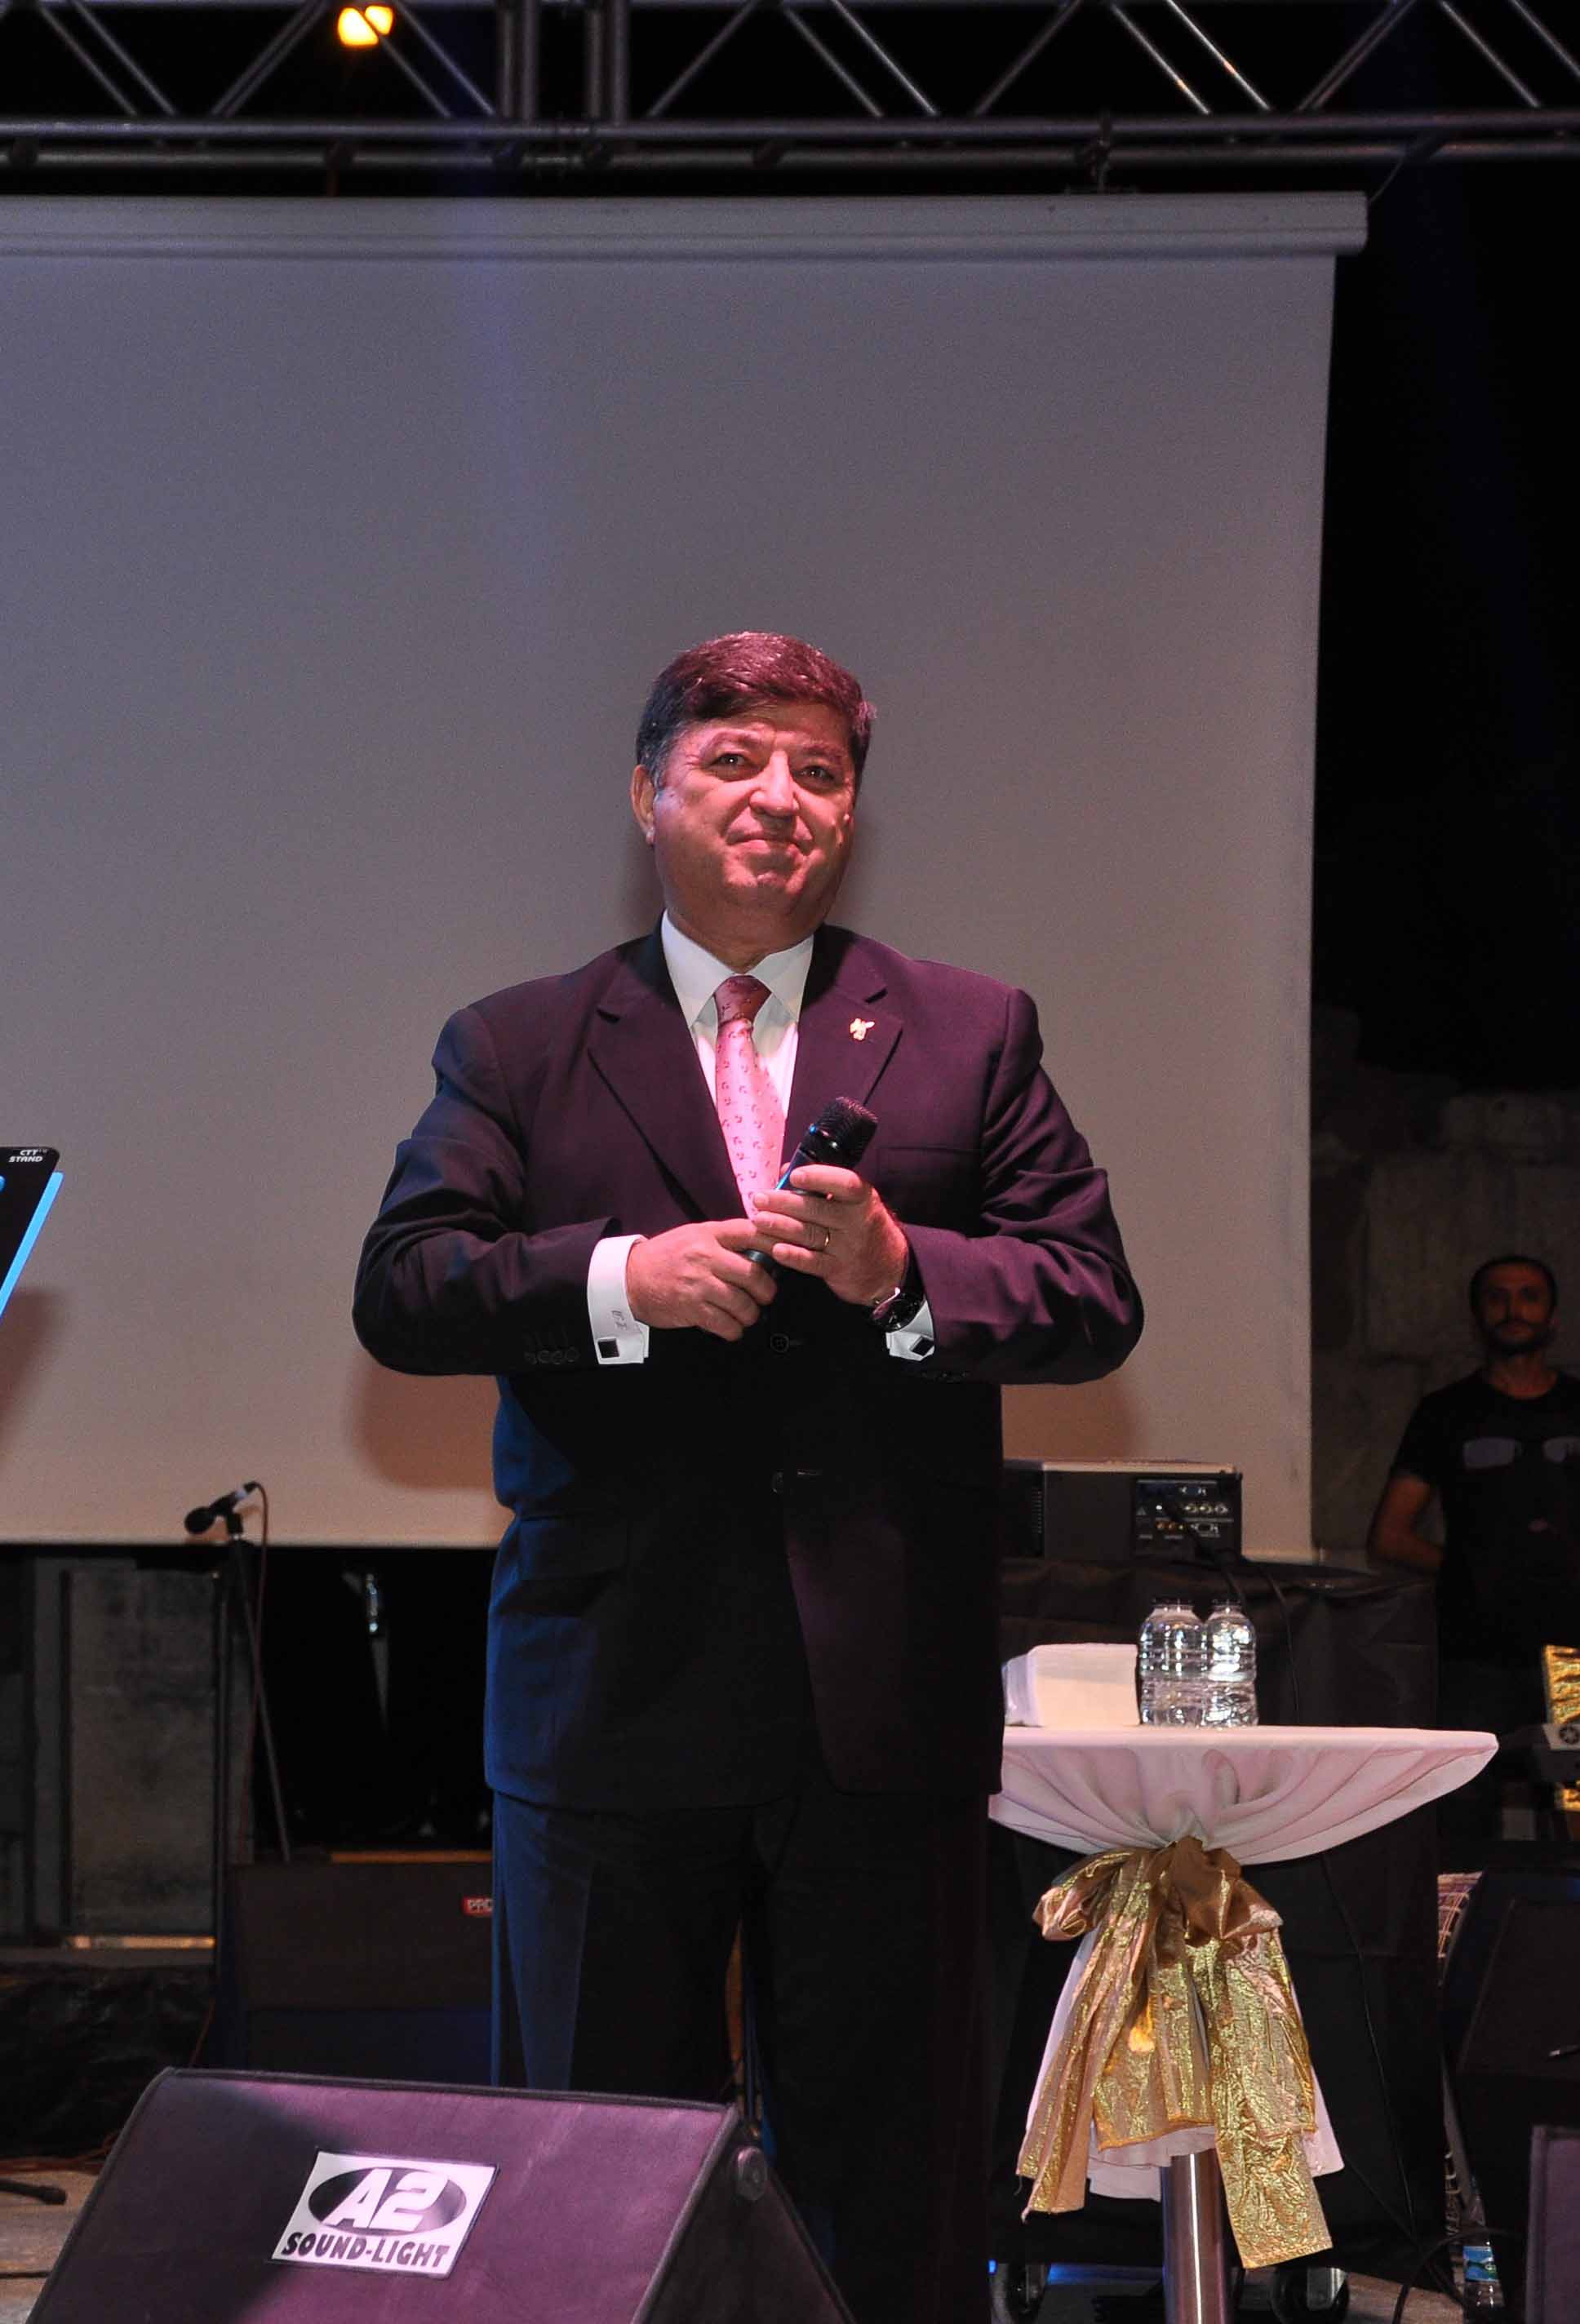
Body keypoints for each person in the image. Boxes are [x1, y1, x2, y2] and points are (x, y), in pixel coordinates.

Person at [353, 632, 1143, 2324]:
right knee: (587, 2178)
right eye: (732, 760)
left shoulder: (966, 1029)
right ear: (646, 793)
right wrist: (615, 1279)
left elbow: (1088, 1293)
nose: (777, 797)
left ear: (848, 813)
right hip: (608, 1691)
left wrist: (899, 1270)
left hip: (880, 1699)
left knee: (891, 2187)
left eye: (817, 771)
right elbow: (404, 1285)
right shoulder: (517, 1041)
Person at [1369, 1253, 1578, 1859]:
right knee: (1462, 1816)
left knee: (1576, 1812)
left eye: (1529, 1296)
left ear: (1553, 1315)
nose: (1514, 1309)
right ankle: (1461, 1923)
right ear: (1477, 1315)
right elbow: (1389, 1535)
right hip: (1475, 1657)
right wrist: (1472, 1570)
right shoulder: (1447, 1413)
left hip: (1574, 1650)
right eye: (1497, 1297)